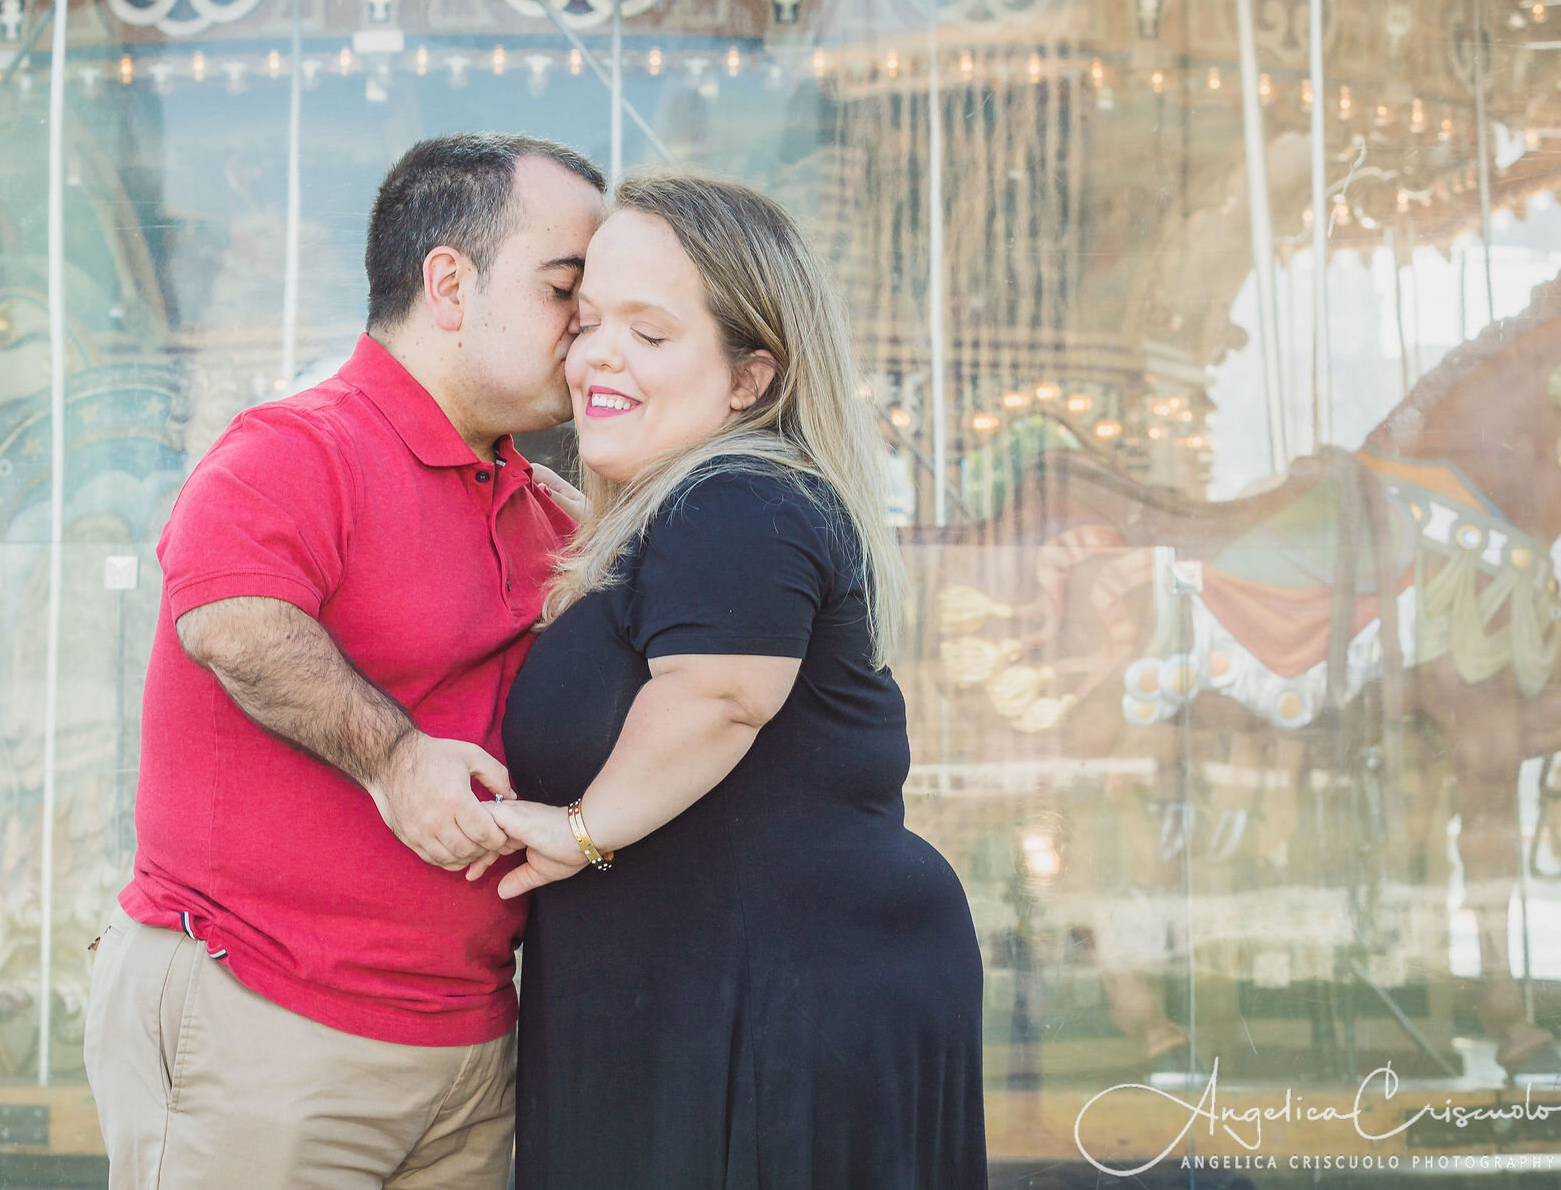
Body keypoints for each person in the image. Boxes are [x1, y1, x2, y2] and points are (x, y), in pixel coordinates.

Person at [83, 133, 604, 1190]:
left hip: (469, 1041)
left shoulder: (546, 504)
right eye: (565, 292)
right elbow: (231, 619)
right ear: (448, 285)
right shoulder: (295, 445)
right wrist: (394, 757)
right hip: (262, 1023)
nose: (587, 332)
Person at [489, 172, 989, 1189]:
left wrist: (576, 830)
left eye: (651, 332)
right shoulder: (684, 509)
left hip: (772, 1028)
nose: (597, 357)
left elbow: (719, 696)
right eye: (584, 323)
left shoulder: (737, 498)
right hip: (724, 1012)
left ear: (750, 379)